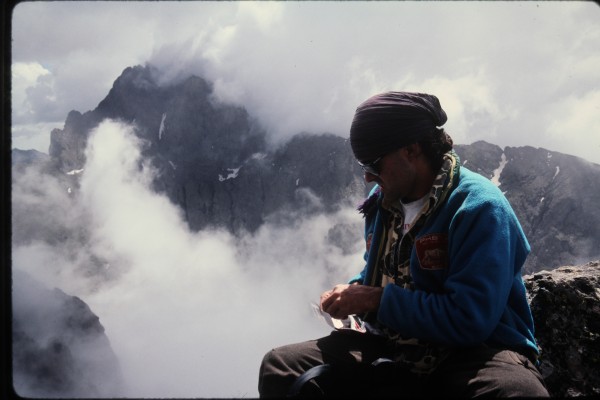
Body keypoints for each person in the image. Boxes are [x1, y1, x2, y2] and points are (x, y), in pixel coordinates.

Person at [258, 91, 549, 398]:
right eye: (362, 164)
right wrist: (353, 294)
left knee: (517, 392)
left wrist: (374, 300)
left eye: (374, 162)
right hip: (392, 344)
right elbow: (384, 275)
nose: (369, 176)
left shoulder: (479, 207)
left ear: (411, 150)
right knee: (281, 368)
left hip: (472, 353)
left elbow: (470, 320)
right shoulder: (383, 205)